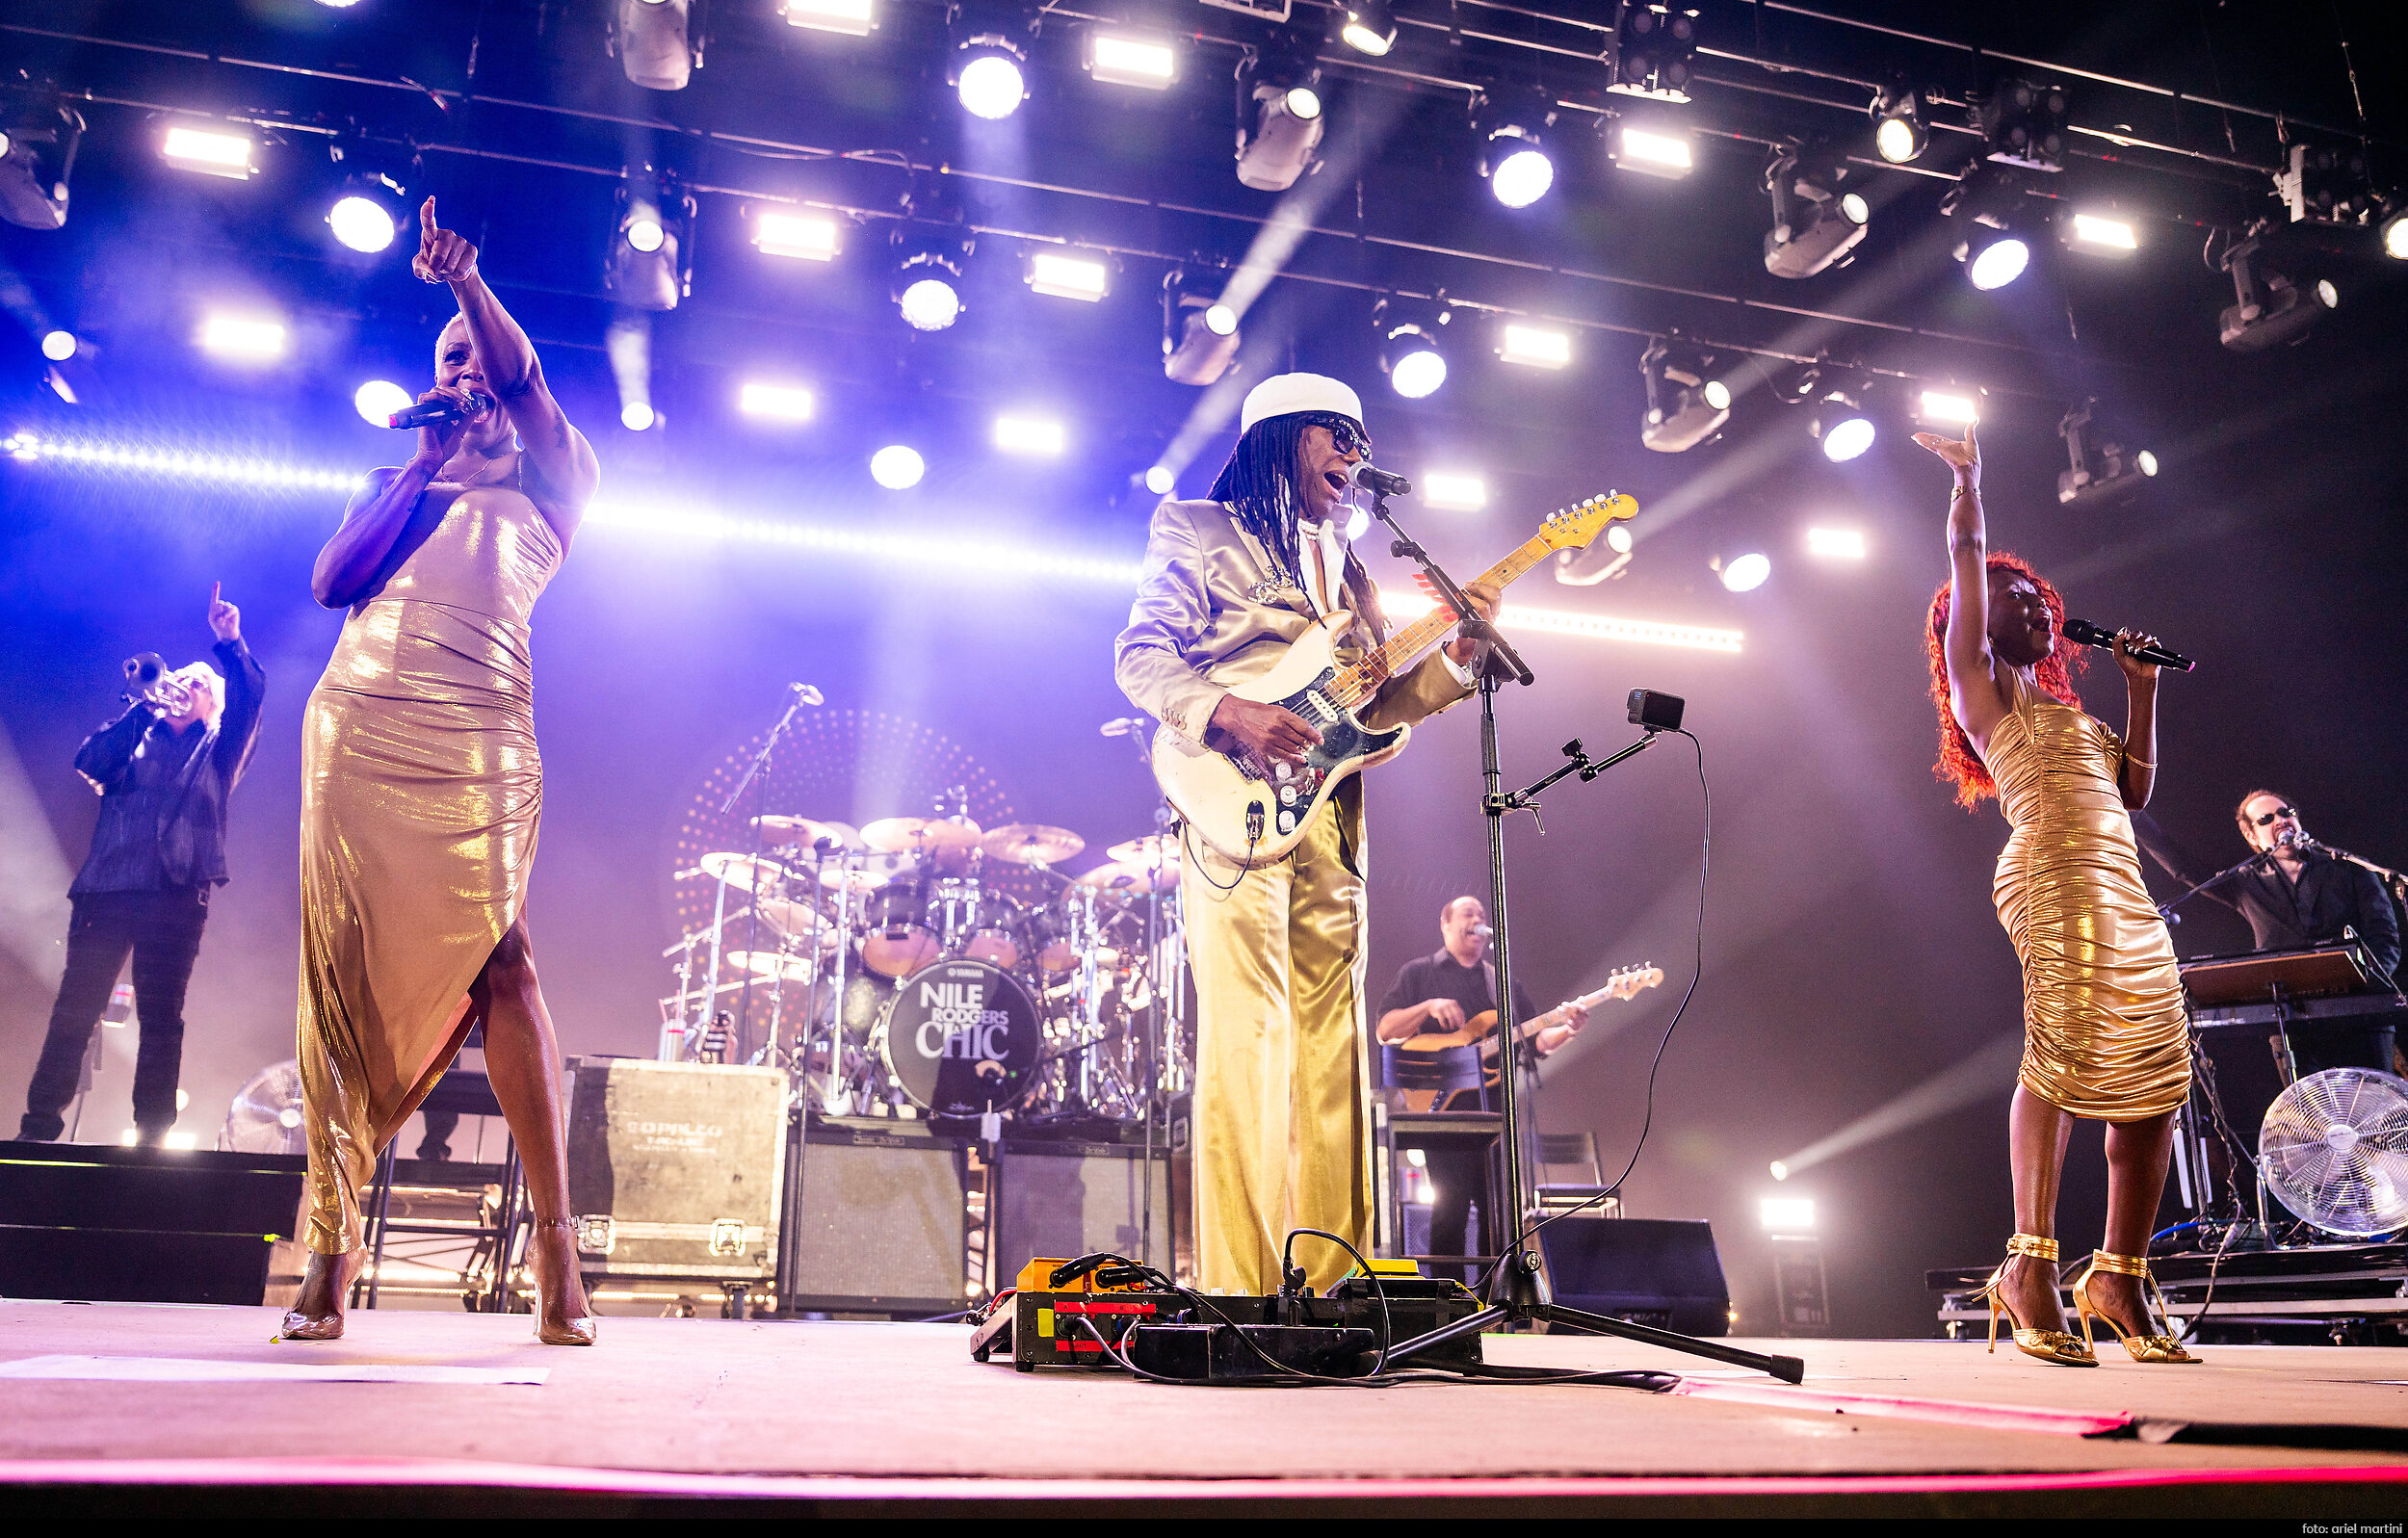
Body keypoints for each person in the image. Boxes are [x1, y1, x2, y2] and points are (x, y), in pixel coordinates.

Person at [282, 197, 600, 1345]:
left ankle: (555, 1254)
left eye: (477, 354)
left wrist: (466, 284)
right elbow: (333, 584)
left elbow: (525, 378)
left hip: (478, 732)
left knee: (505, 965)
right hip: (356, 725)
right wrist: (417, 465)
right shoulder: (398, 477)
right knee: (338, 977)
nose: (466, 369)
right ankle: (330, 1247)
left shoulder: (558, 470)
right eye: (448, 358)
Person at [1113, 371, 1498, 1296]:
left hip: (1332, 819)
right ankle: (1242, 1288)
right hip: (1233, 805)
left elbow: (1378, 704)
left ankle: (1330, 1288)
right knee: (1250, 1035)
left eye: (1361, 441)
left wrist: (1455, 659)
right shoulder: (1199, 527)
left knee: (1334, 1048)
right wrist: (1229, 712)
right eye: (1337, 434)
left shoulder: (1352, 569)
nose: (1355, 454)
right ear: (1284, 437)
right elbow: (1141, 656)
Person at [1918, 419, 2198, 1368]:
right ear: (1970, 619)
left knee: (2156, 1069)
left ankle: (2117, 1273)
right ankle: (2028, 1264)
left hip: (2120, 878)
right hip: (2050, 868)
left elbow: (2134, 792)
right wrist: (1969, 482)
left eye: (2038, 592)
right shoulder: (1981, 688)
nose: (2033, 601)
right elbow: (1966, 555)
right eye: (2013, 594)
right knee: (2065, 1047)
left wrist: (2141, 690)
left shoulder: (2070, 711)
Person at [18, 587, 263, 1146]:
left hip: (175, 896)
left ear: (213, 705)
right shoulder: (134, 738)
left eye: (200, 684)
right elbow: (89, 761)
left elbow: (250, 696)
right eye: (182, 678)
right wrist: (142, 709)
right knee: (74, 1011)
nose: (185, 687)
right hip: (107, 889)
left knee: (161, 1020)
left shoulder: (220, 751)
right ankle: (38, 1128)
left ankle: (151, 1137)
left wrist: (230, 642)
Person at [1376, 895, 1589, 1279]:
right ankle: (1450, 1300)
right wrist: (1427, 1007)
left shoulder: (1500, 981)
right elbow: (1385, 1030)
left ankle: (1497, 1299)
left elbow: (1535, 1042)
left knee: (1500, 1215)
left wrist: (1567, 1029)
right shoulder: (1419, 973)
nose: (1476, 919)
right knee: (1450, 1210)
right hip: (1442, 1116)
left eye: (1481, 914)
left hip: (1495, 1115)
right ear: (1445, 925)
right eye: (1467, 913)